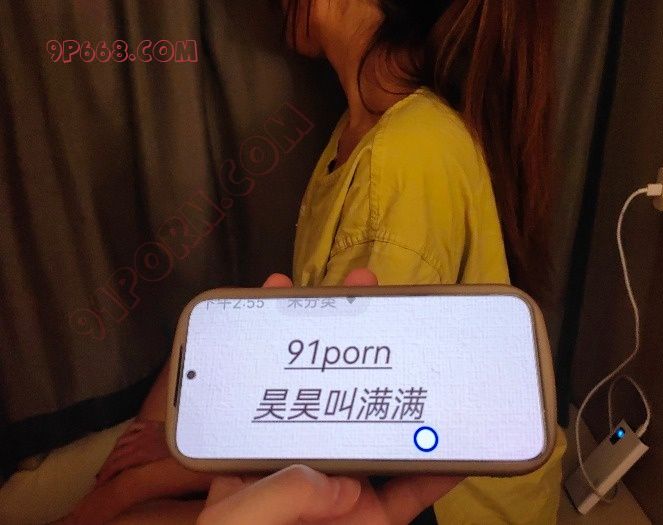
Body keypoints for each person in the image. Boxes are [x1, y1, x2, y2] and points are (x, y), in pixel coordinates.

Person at [64, 0, 566, 522]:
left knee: (127, 509)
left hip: (446, 505)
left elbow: (344, 430)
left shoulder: (402, 160)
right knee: (191, 348)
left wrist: (136, 485)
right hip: (362, 442)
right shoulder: (368, 128)